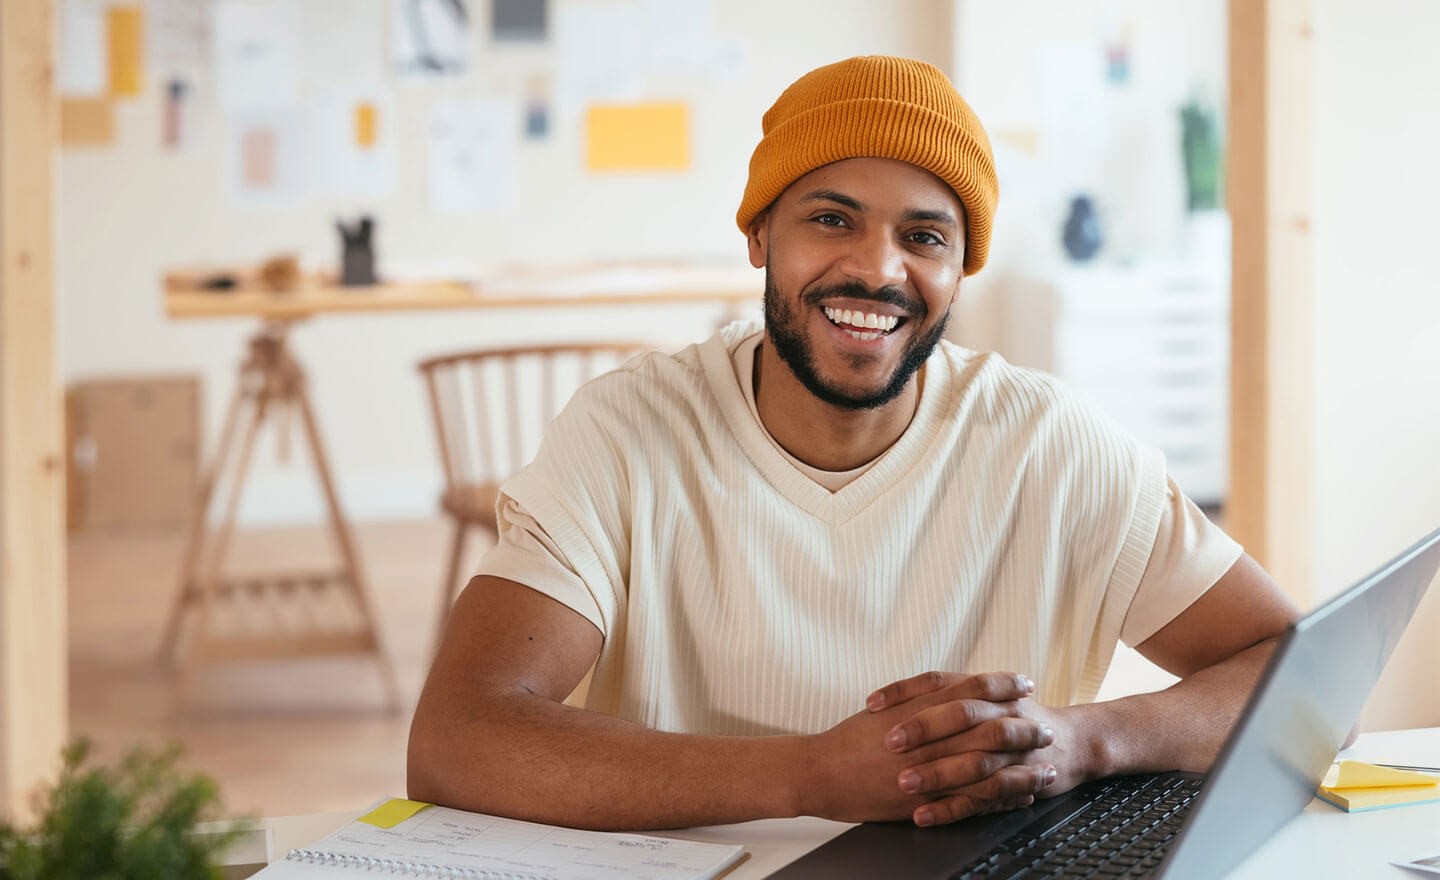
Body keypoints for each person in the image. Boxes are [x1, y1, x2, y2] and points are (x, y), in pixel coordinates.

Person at [408, 55, 1298, 832]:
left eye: (923, 236)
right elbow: (459, 736)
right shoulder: (627, 431)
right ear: (760, 234)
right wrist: (814, 774)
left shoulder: (1051, 444)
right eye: (831, 219)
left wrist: (1086, 738)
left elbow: (1286, 671)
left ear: (959, 272)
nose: (877, 268)